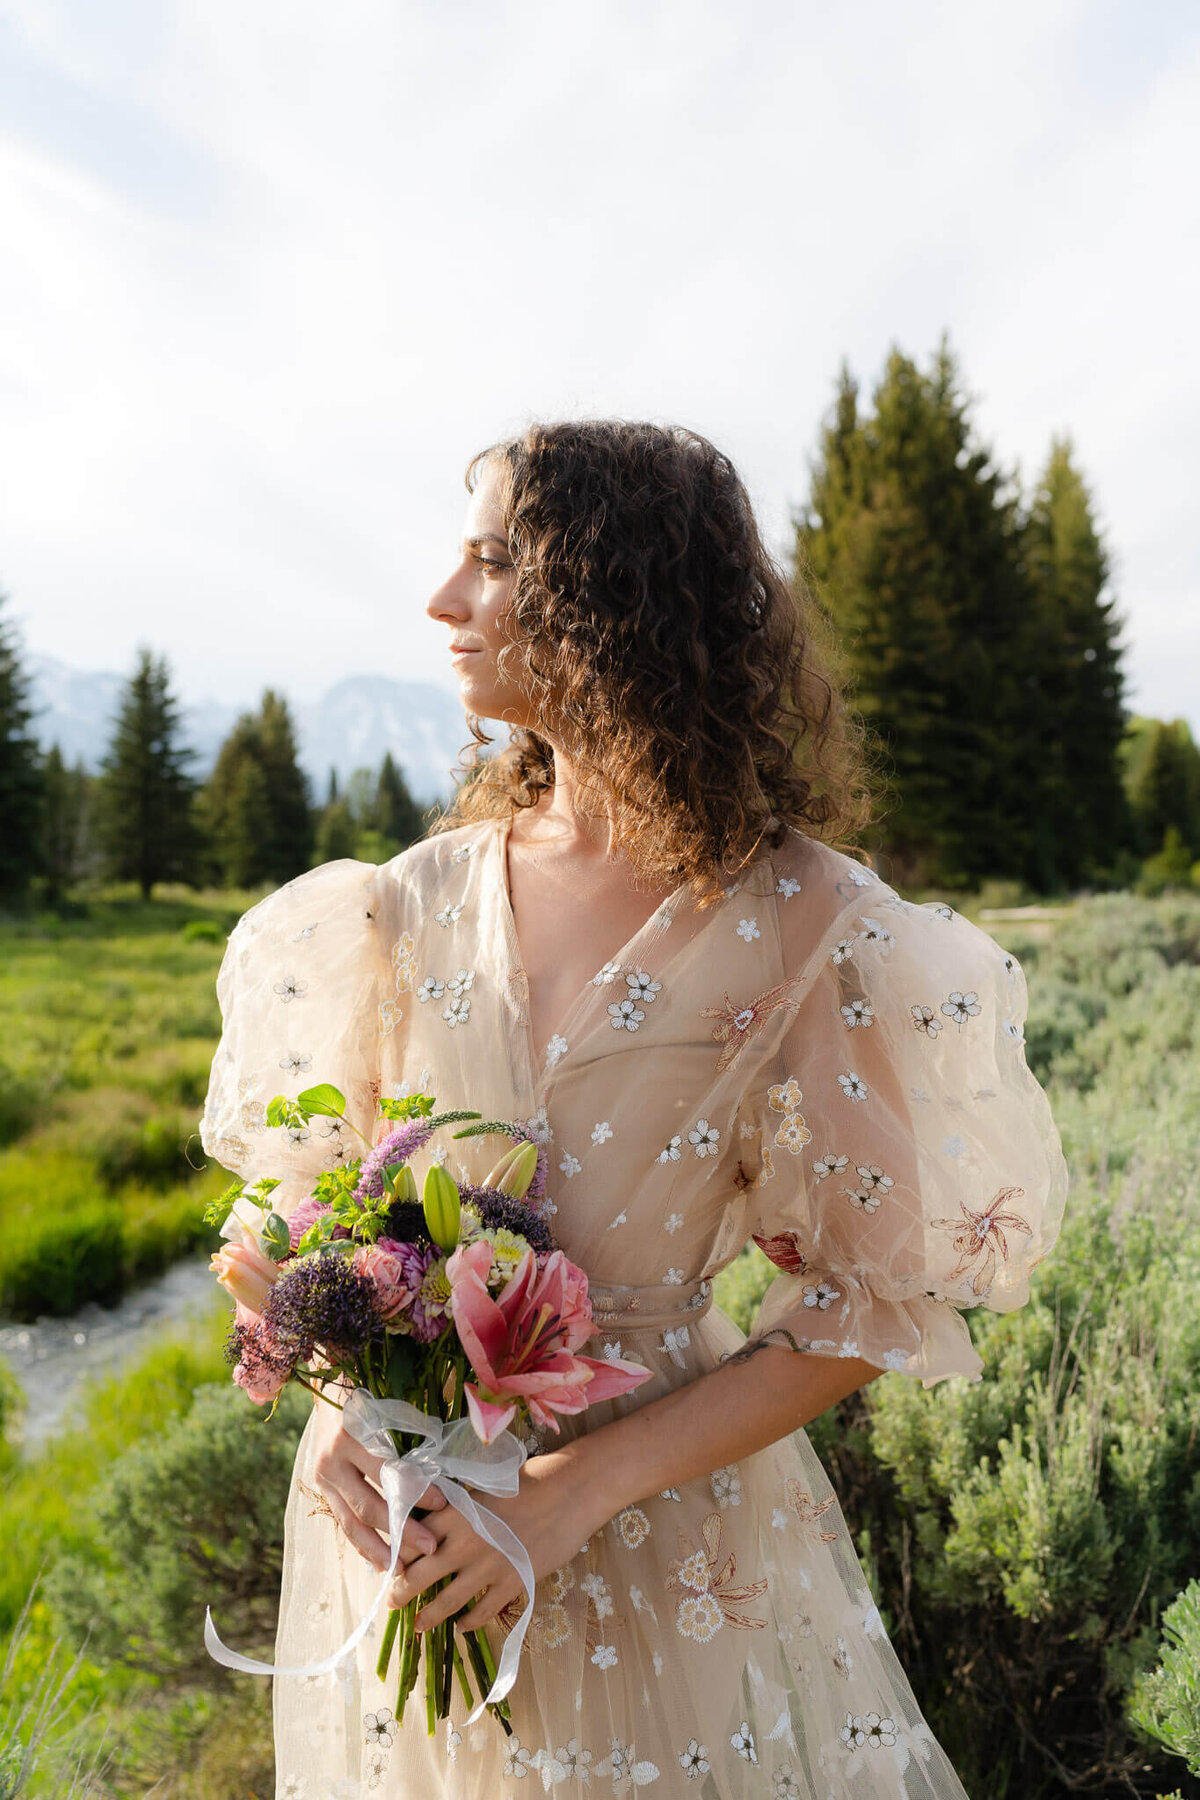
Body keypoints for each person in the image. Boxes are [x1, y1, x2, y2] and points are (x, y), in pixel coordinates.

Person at [200, 420, 1069, 1798]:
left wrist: (568, 1501)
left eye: (493, 561)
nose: (444, 601)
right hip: (413, 1533)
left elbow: (874, 1304)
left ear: (607, 596)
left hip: (665, 1544)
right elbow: (318, 1230)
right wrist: (342, 1426)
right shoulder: (403, 905)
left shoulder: (814, 925)